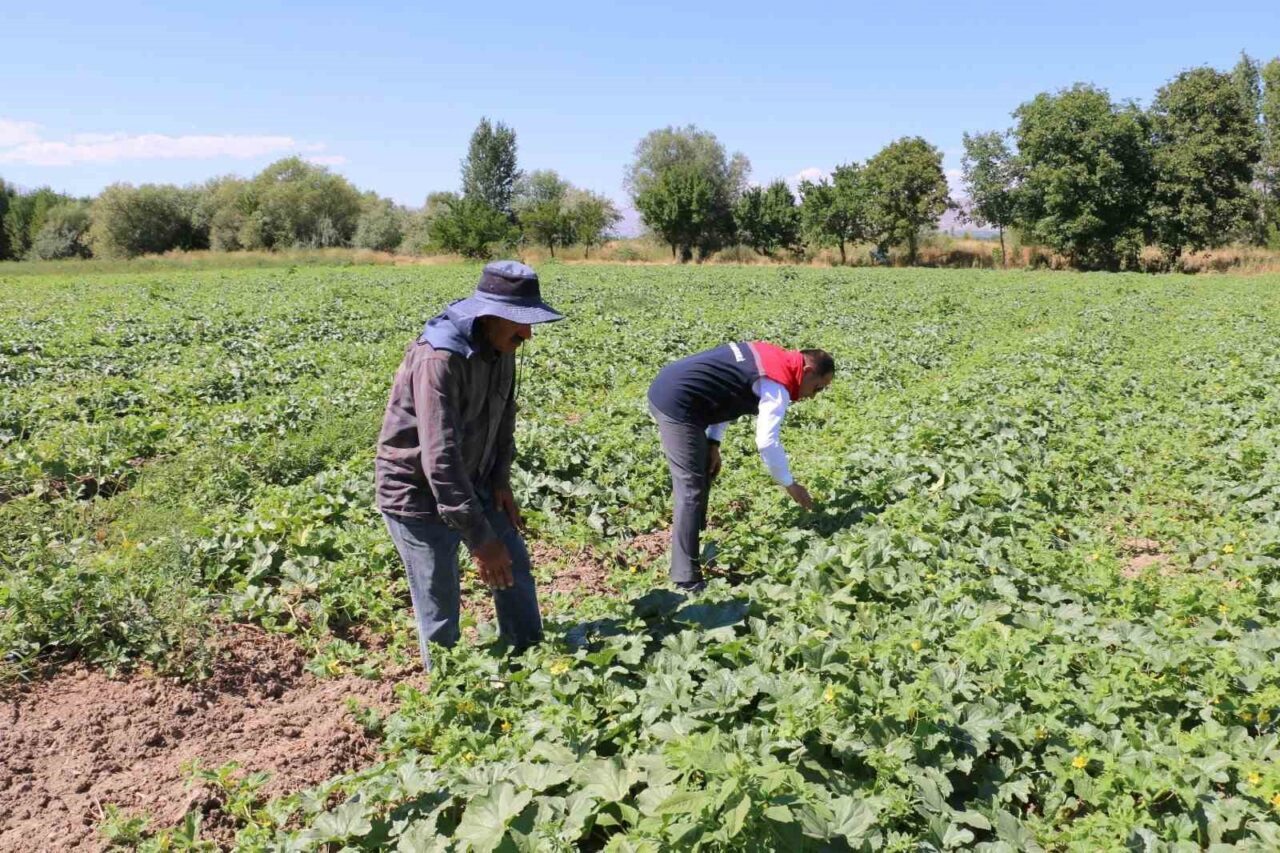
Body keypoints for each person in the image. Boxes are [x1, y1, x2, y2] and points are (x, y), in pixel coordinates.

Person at [376, 261, 563, 671]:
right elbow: (438, 457)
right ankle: (448, 694)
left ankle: (528, 659)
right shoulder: (440, 359)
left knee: (513, 564)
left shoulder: (502, 346)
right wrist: (480, 537)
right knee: (440, 602)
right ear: (488, 314)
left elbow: (503, 417)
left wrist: (500, 481)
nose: (528, 334)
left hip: (473, 478)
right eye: (520, 322)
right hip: (416, 493)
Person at [647, 341, 835, 592]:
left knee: (703, 468)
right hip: (677, 402)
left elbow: (726, 392)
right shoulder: (777, 384)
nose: (813, 396)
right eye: (818, 388)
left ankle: (694, 532)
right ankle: (686, 579)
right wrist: (789, 484)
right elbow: (767, 442)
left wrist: (713, 442)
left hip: (678, 387)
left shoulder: (771, 356)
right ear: (809, 372)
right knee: (690, 486)